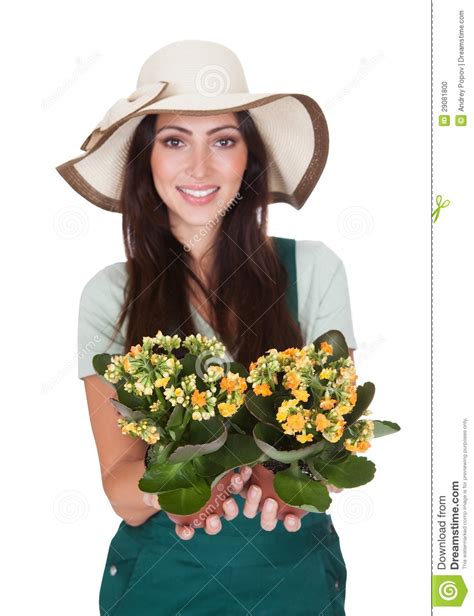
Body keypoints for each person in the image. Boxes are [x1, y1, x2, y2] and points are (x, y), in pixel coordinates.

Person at [57, 40, 358, 616]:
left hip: (293, 582)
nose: (200, 168)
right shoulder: (109, 295)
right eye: (175, 141)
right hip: (160, 584)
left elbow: (335, 444)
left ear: (250, 157)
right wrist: (176, 487)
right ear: (146, 158)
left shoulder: (315, 270)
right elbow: (121, 485)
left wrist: (288, 480)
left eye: (224, 140)